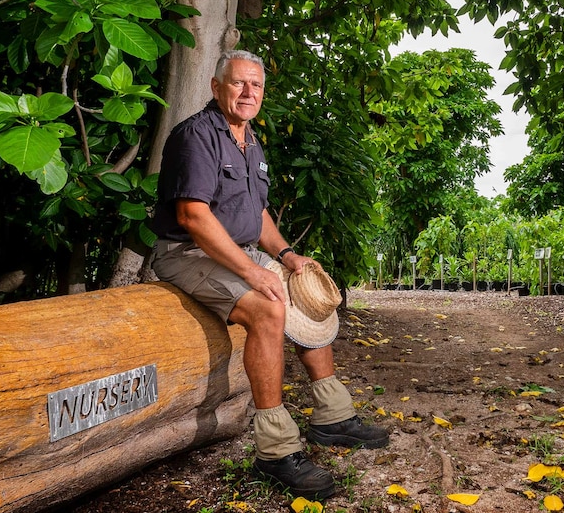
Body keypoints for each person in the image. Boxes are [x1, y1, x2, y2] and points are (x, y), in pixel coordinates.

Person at [152, 49, 388, 500]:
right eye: (239, 83)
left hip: (236, 250)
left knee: (304, 294)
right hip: (188, 253)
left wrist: (286, 256)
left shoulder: (250, 139)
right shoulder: (196, 135)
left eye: (256, 85)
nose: (248, 93)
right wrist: (252, 273)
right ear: (216, 87)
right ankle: (276, 450)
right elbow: (194, 217)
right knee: (267, 308)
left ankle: (332, 416)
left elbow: (256, 212)